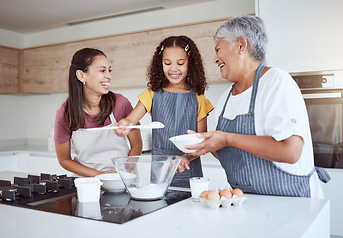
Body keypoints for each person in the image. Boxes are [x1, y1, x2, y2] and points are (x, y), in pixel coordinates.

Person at [181, 15, 330, 198]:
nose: (215, 58)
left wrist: (227, 138)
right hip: (247, 203)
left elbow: (290, 151)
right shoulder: (225, 99)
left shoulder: (276, 82)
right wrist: (206, 145)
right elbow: (233, 155)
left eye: (218, 49)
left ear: (241, 45)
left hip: (293, 204)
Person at [115, 36, 214, 188]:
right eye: (167, 63)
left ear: (190, 64)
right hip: (160, 169)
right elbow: (130, 121)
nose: (173, 69)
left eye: (180, 63)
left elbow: (203, 143)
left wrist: (186, 158)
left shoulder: (199, 99)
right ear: (160, 64)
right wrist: (124, 125)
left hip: (189, 168)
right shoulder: (151, 94)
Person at [54, 48, 142, 177]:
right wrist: (100, 175)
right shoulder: (65, 113)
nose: (109, 76)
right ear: (81, 75)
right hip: (87, 182)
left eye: (109, 70)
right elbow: (64, 160)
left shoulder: (120, 103)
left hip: (121, 179)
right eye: (102, 70)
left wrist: (125, 172)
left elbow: (137, 144)